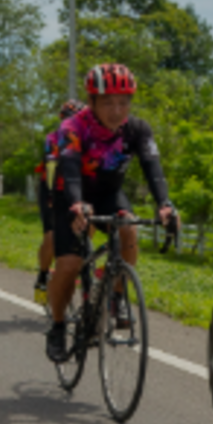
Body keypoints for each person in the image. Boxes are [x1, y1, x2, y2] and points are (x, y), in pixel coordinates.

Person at [45, 64, 177, 363]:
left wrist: (165, 203)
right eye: (108, 102)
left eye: (124, 102)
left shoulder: (138, 129)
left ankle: (115, 294)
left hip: (108, 194)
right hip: (72, 195)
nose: (117, 110)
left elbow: (152, 167)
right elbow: (70, 170)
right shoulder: (72, 128)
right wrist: (77, 203)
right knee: (68, 264)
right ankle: (57, 325)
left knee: (129, 227)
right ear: (91, 102)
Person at [33, 99, 85, 305]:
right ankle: (43, 275)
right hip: (52, 189)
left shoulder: (86, 138)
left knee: (86, 221)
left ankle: (81, 265)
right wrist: (52, 198)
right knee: (51, 236)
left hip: (77, 190)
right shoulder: (53, 138)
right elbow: (51, 169)